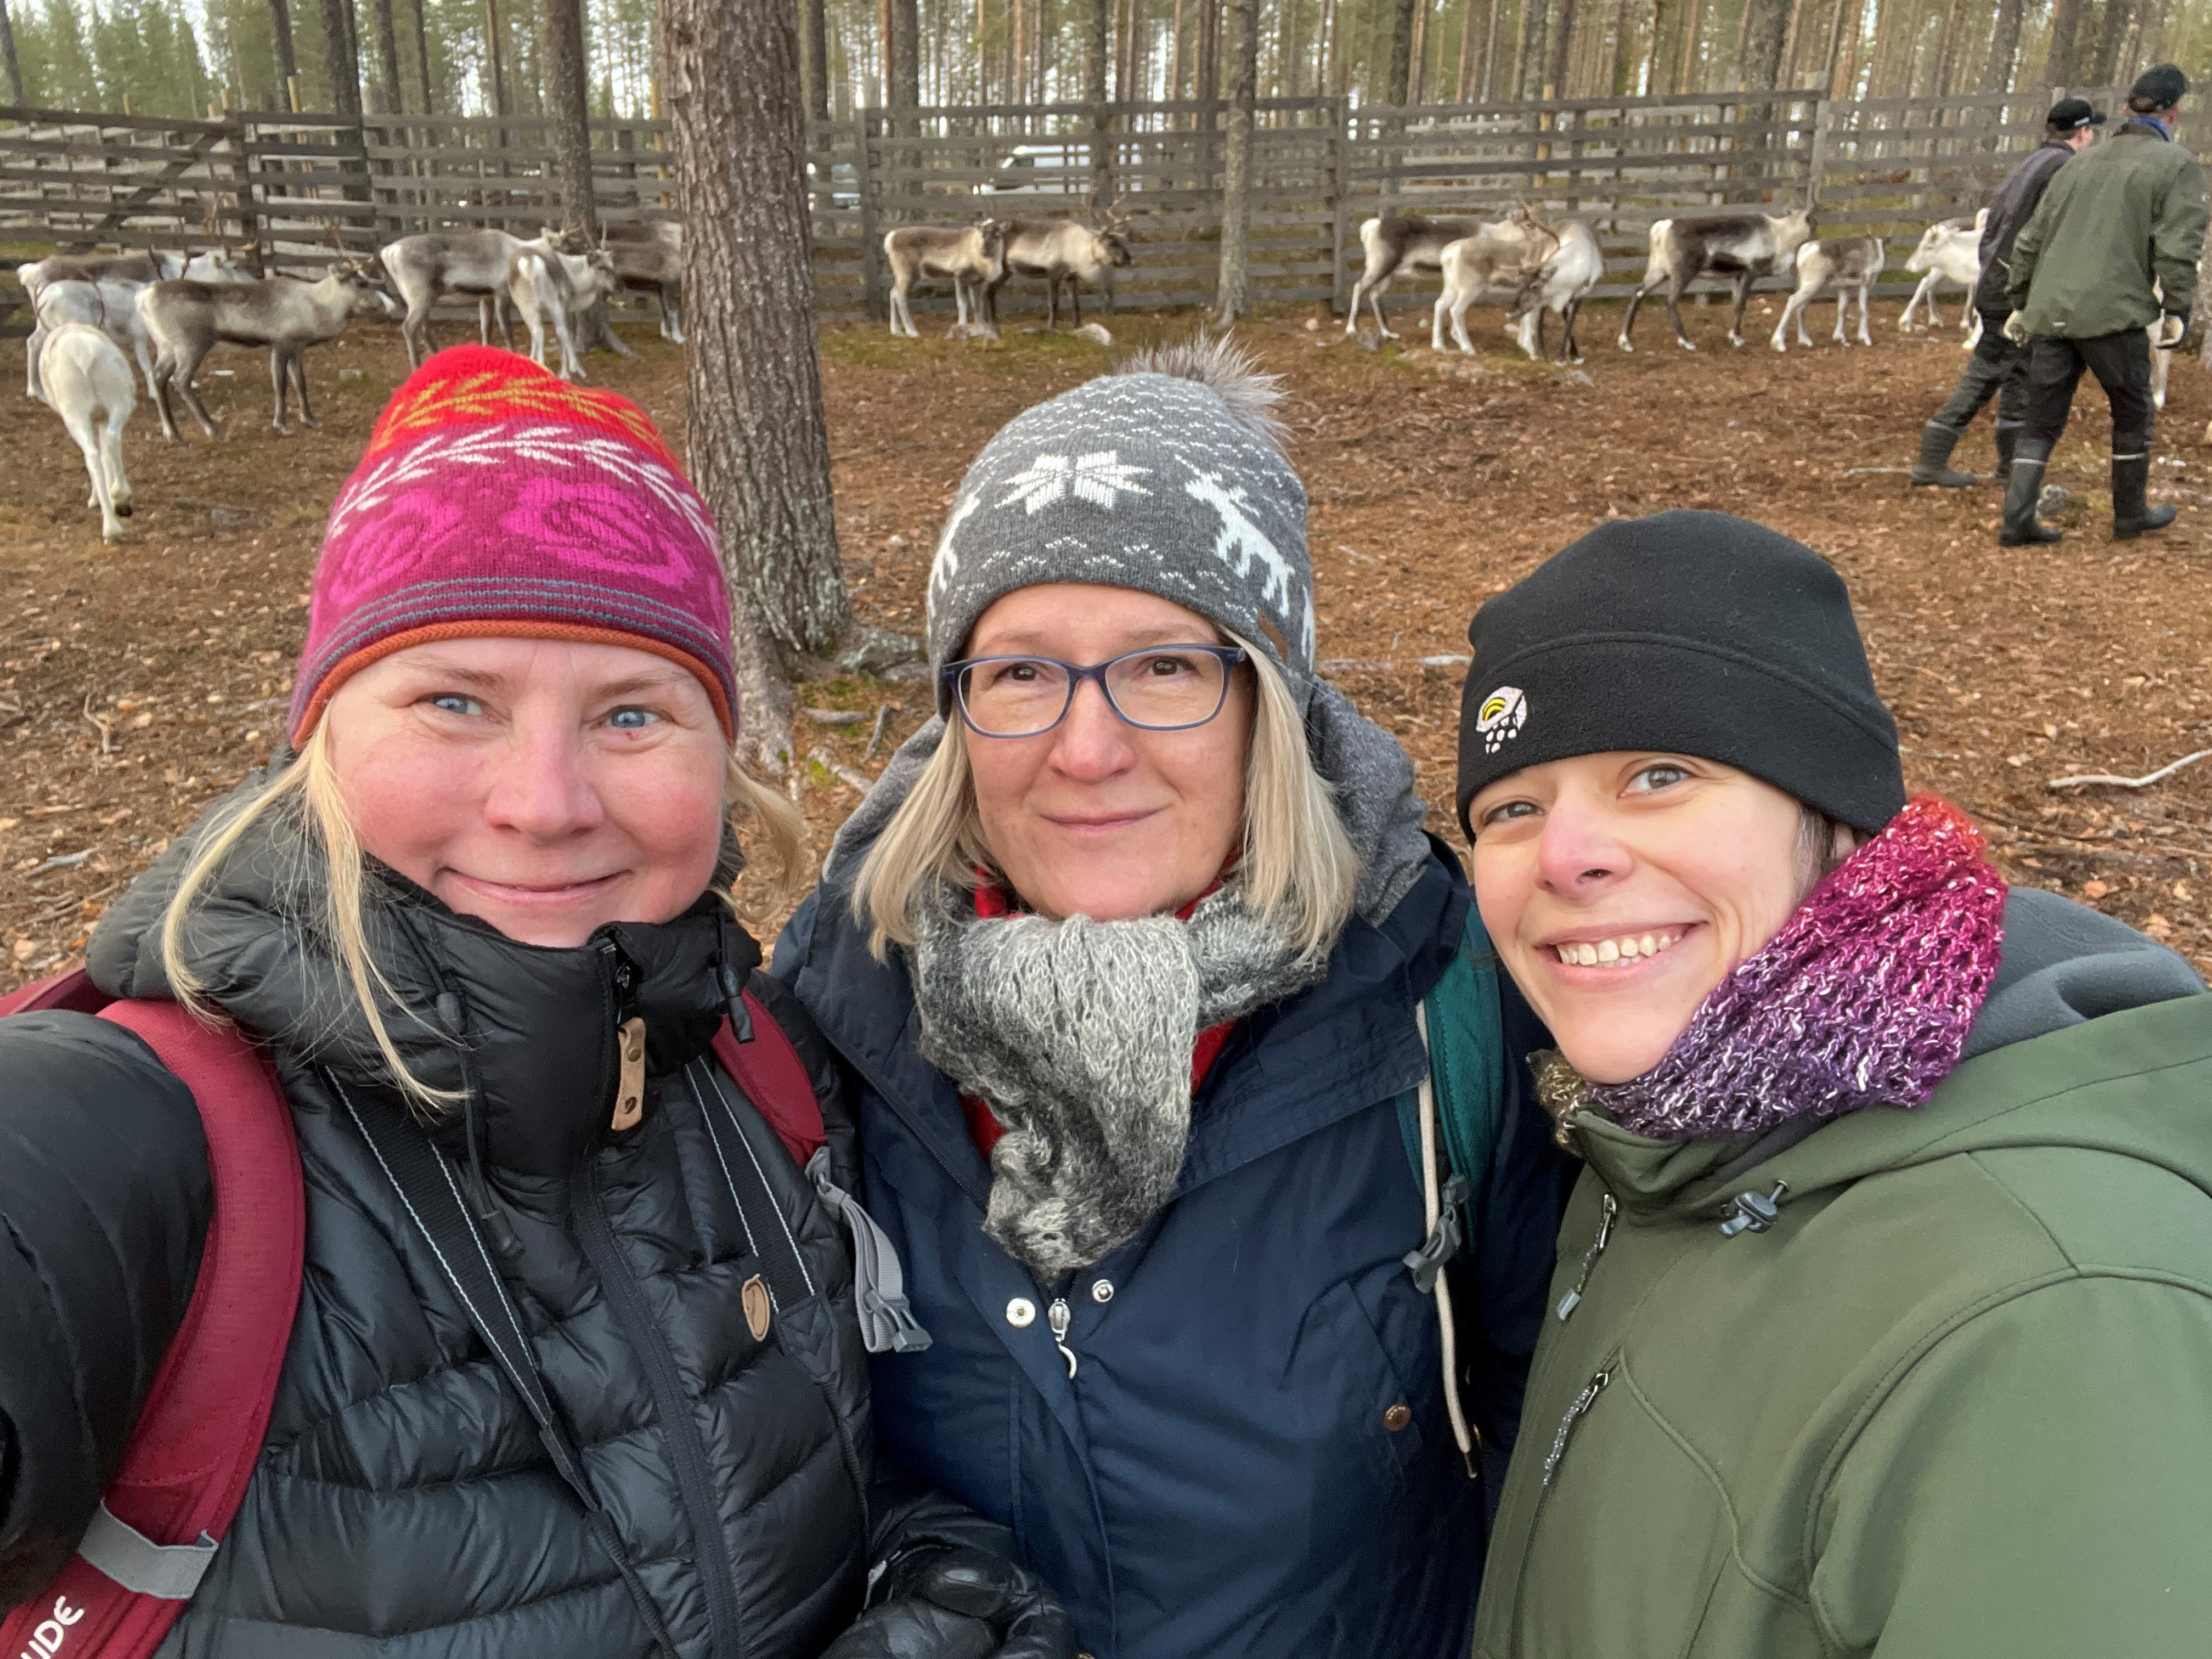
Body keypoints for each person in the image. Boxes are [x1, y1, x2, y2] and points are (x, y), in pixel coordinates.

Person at [0, 348, 1074, 1659]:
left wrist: (933, 1580)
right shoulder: (126, 1132)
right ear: (322, 735)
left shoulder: (756, 1067)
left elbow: (779, 1472)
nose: (546, 801)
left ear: (721, 756)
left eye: (632, 715)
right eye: (455, 700)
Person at [774, 338, 1564, 1659]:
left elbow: (1562, 1441)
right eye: (1021, 670)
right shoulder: (824, 1007)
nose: (1089, 750)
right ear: (956, 711)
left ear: (1269, 700)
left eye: (1164, 667)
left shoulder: (1439, 986)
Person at [1453, 510, 2212, 1658]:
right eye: (1514, 806)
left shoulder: (2053, 1316)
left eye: (1660, 774)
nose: (1566, 855)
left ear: (1839, 818)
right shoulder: (1674, 1134)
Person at [1999, 64, 2209, 545]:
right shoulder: (2176, 167)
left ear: (2123, 109)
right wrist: (2178, 309)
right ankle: (2130, 515)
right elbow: (2179, 247)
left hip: (2051, 311)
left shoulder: (2080, 161)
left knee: (2042, 417)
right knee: (2133, 411)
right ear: (2174, 114)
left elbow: (2031, 239)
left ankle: (2017, 519)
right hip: (2114, 313)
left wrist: (2021, 301)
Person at [1908, 98, 2102, 489]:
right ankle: (1932, 461)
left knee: (2019, 373)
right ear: (2082, 133)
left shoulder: (2030, 165)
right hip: (2017, 289)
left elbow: (1994, 228)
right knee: (1986, 373)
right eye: (2091, 130)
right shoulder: (2064, 168)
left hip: (2001, 282)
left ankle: (2009, 466)